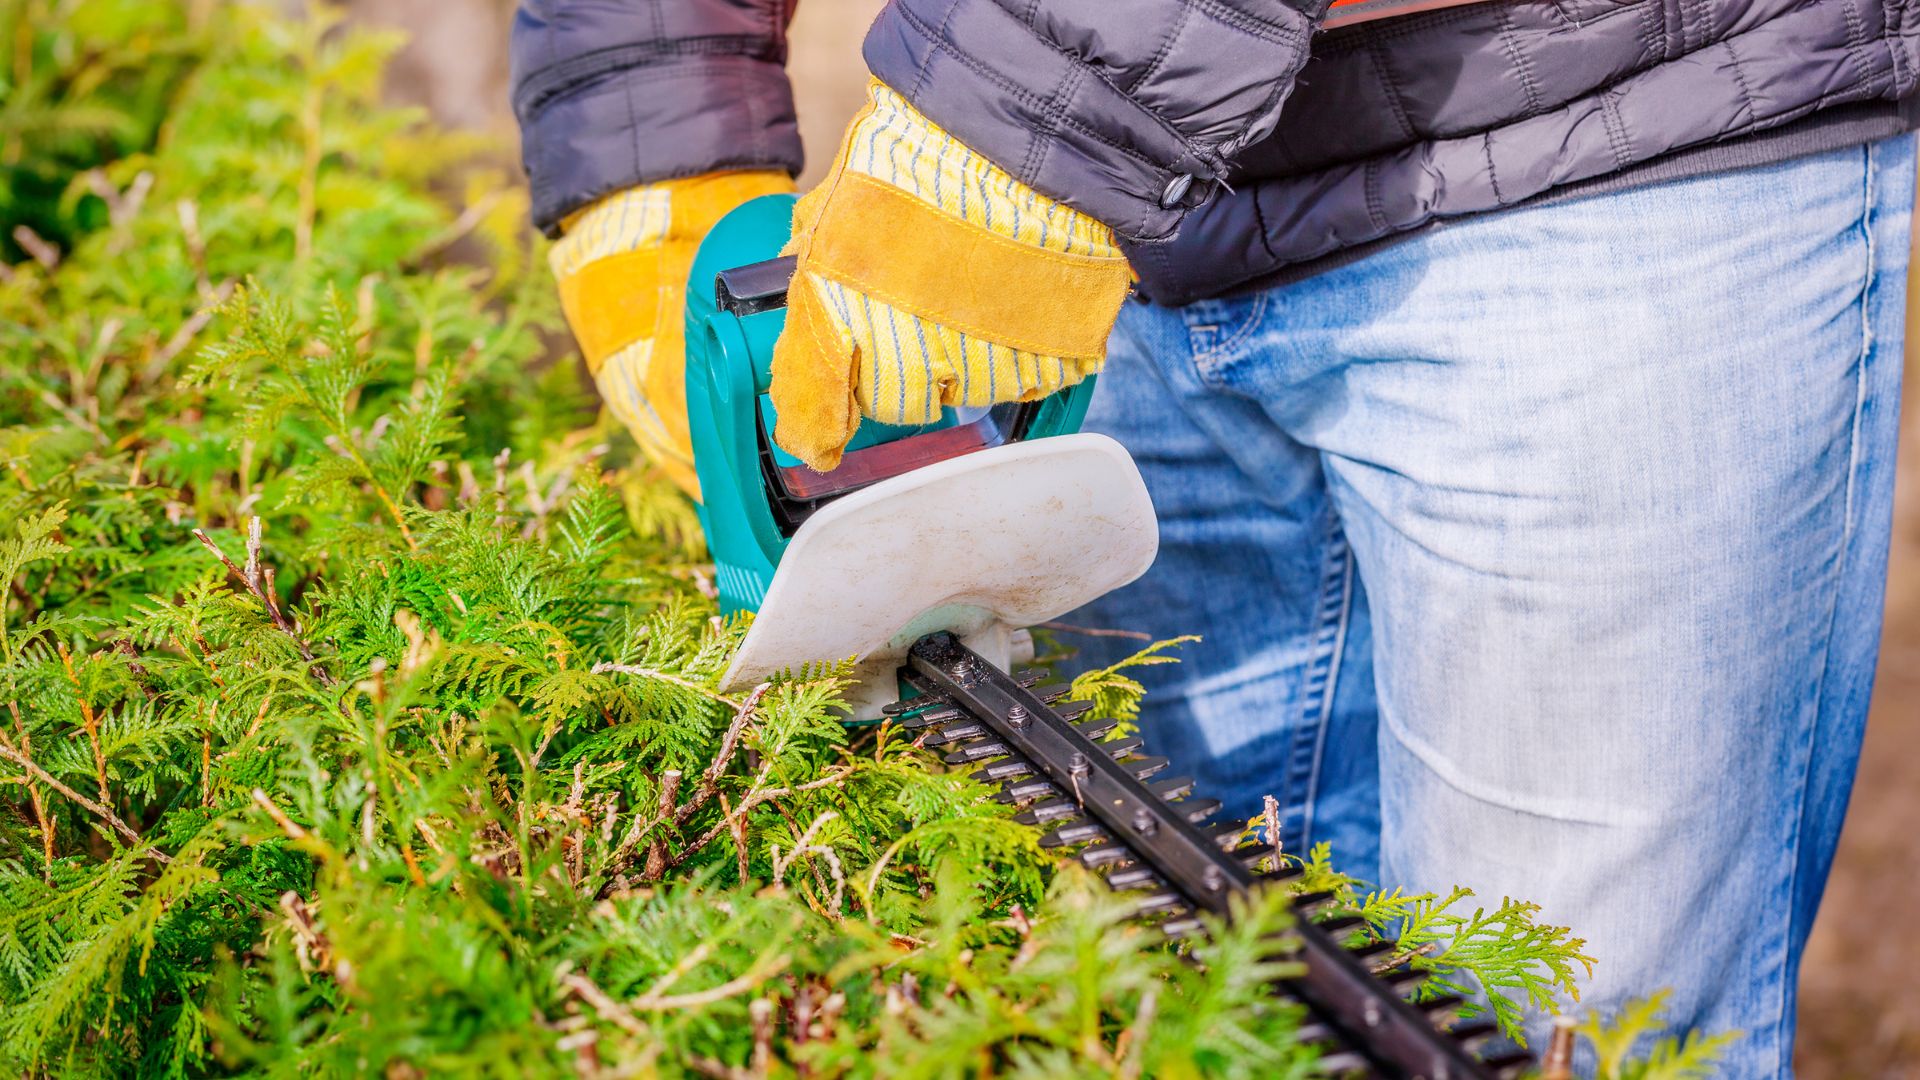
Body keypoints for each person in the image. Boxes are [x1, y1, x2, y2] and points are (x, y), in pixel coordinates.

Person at [511, 1, 1918, 1072]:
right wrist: (649, 103)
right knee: (1208, 977)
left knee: (1567, 1013)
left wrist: (1035, 99)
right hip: (1126, 206)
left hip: (1618, 127)